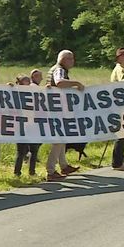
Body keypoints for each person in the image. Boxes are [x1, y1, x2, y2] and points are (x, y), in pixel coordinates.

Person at [45, 50, 85, 182]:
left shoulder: (56, 68)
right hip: (56, 110)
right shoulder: (59, 70)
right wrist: (76, 84)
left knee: (62, 138)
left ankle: (64, 166)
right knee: (58, 141)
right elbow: (60, 83)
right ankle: (50, 171)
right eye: (70, 59)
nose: (72, 61)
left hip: (55, 108)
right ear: (63, 59)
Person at [14, 74, 41, 177]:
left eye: (28, 83)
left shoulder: (33, 91)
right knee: (20, 152)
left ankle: (32, 172)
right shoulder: (15, 93)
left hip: (32, 125)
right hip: (21, 126)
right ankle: (17, 173)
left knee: (34, 150)